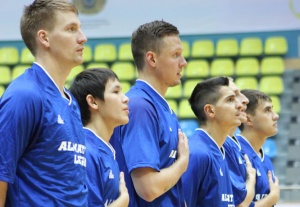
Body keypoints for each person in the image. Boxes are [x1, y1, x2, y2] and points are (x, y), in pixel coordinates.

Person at [0, 0, 88, 206]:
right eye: (71, 29)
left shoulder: (70, 100)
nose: (83, 38)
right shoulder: (25, 95)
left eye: (80, 29)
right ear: (44, 38)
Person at [110, 20, 189, 207]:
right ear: (152, 59)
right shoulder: (140, 107)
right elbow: (148, 188)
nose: (183, 63)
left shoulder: (160, 106)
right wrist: (183, 162)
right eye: (175, 55)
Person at [69, 68, 129, 207]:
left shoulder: (103, 149)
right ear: (93, 101)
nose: (125, 98)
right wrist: (122, 202)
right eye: (116, 92)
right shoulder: (86, 151)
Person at [182, 76, 242, 207]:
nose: (239, 105)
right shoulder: (197, 153)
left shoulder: (220, 149)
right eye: (230, 100)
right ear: (210, 110)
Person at [236, 89, 280, 206]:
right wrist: (272, 198)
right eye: (267, 110)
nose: (276, 116)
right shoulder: (235, 153)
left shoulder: (266, 160)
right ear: (248, 119)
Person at [223, 79, 257, 207]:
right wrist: (251, 179)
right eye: (234, 96)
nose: (245, 100)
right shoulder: (216, 146)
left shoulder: (234, 144)